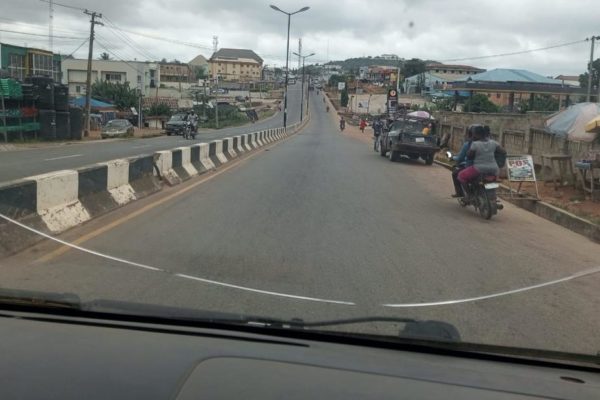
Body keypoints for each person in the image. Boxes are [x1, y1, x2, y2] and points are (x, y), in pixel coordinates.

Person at [458, 125, 506, 193]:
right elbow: (503, 152)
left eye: (474, 134)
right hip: (494, 169)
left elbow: (469, 156)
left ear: (476, 134)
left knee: (461, 176)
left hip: (479, 169)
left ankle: (469, 195)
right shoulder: (493, 142)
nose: (473, 135)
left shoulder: (475, 144)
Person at [450, 125, 476, 198]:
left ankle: (461, 193)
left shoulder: (468, 144)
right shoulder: (488, 143)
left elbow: (460, 158)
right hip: (489, 170)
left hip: (472, 167)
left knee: (456, 174)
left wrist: (453, 158)